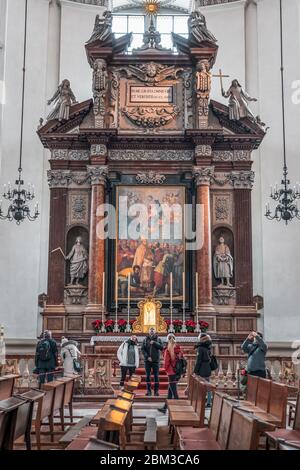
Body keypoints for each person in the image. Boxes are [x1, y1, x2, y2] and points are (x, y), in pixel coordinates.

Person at [158, 334, 183, 414]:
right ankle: (164, 408)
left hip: (171, 372)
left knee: (174, 393)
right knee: (170, 391)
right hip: (177, 371)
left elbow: (166, 362)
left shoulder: (168, 349)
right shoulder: (179, 349)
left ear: (167, 340)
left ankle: (180, 410)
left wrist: (165, 369)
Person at [142, 327, 163, 396]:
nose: (151, 331)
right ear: (148, 332)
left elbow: (161, 347)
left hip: (155, 361)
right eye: (150, 330)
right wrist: (147, 357)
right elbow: (143, 349)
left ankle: (156, 391)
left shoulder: (158, 339)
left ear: (155, 331)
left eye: (153, 330)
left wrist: (154, 343)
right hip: (147, 361)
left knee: (156, 376)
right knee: (148, 376)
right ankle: (148, 391)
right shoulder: (145, 339)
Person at [194, 333, 213, 407]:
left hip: (202, 369)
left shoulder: (200, 348)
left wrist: (195, 371)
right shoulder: (208, 346)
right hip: (207, 368)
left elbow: (198, 361)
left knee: (201, 386)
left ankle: (201, 401)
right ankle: (208, 402)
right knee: (208, 386)